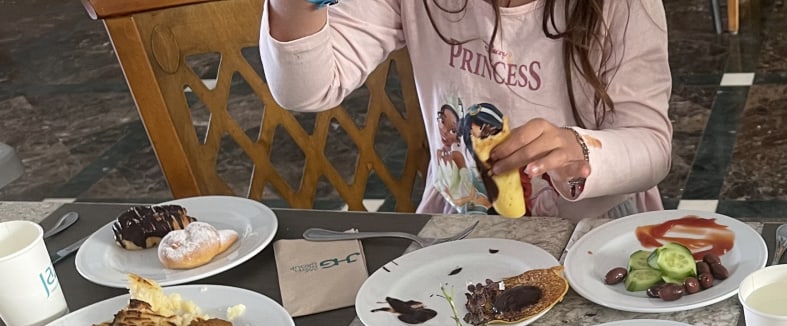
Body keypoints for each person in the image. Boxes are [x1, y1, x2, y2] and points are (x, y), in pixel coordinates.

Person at [261, 0, 672, 219]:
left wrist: (580, 150)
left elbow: (653, 148)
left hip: (593, 229)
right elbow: (306, 90)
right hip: (461, 222)